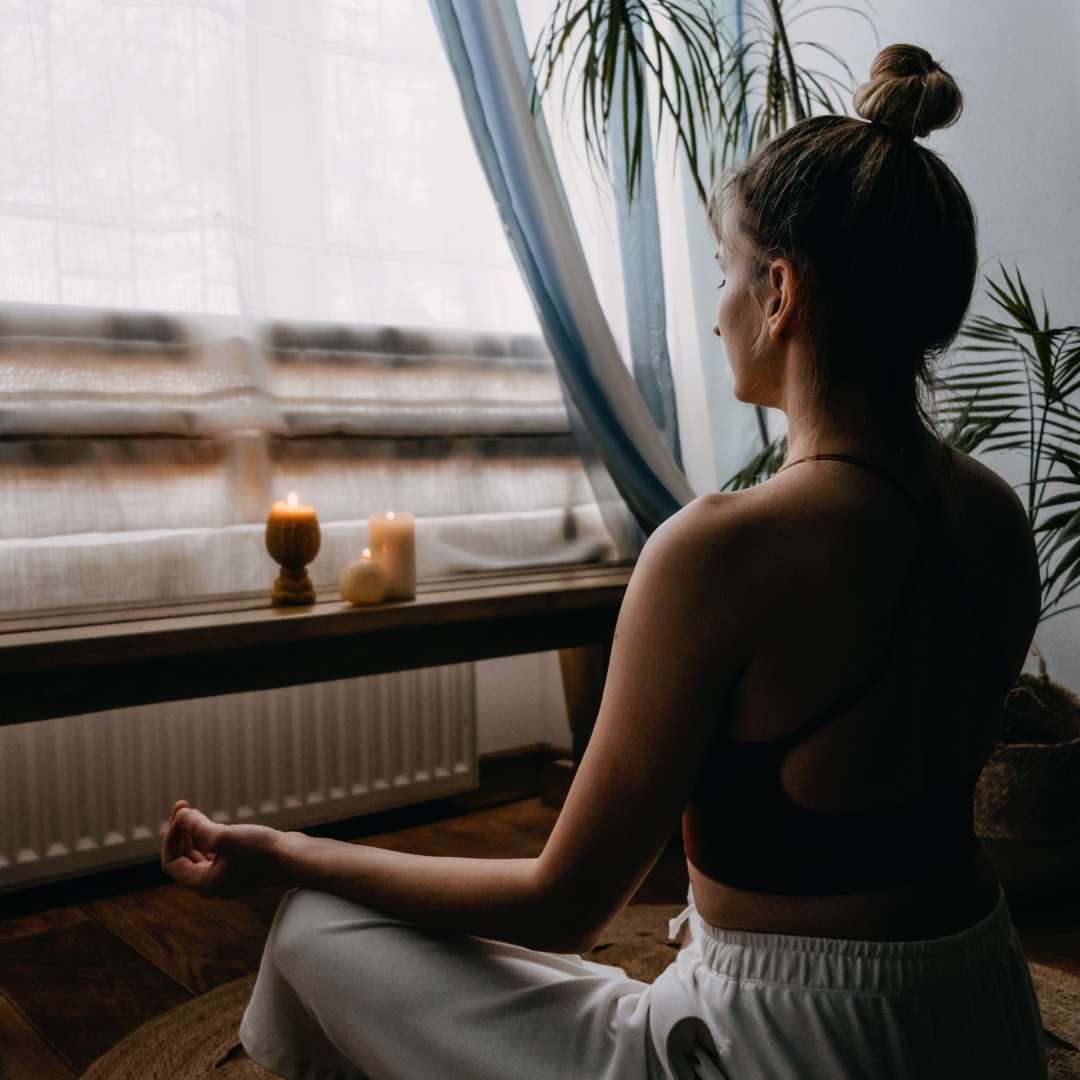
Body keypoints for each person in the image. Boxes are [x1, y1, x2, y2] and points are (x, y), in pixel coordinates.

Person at [162, 44, 1048, 1080]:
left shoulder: (722, 550)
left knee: (318, 925)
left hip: (794, 1048)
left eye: (725, 272)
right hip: (983, 1012)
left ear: (780, 293)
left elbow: (562, 906)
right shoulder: (994, 515)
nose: (717, 308)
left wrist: (285, 854)